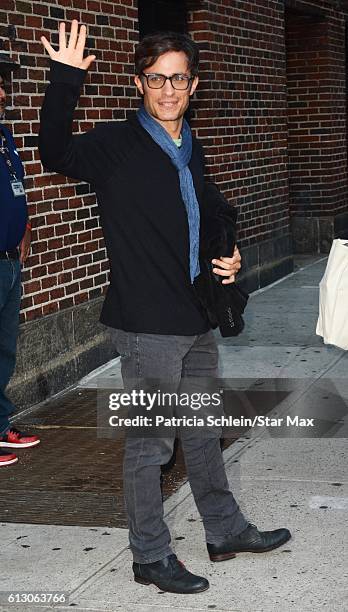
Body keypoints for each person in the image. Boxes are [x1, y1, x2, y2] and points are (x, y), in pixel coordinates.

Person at [39, 21, 291, 594]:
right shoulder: (116, 146)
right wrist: (65, 78)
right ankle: (149, 556)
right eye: (156, 79)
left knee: (203, 432)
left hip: (195, 316)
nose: (169, 89)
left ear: (194, 84)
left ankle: (224, 531)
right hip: (147, 323)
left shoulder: (189, 147)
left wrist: (228, 255)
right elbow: (54, 150)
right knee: (151, 444)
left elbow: (209, 211)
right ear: (139, 84)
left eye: (179, 78)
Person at [0, 53, 40, 467]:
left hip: (11, 262)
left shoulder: (5, 137)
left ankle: (0, 426)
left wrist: (25, 230)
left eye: (3, 84)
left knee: (4, 352)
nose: (1, 91)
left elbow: (18, 189)